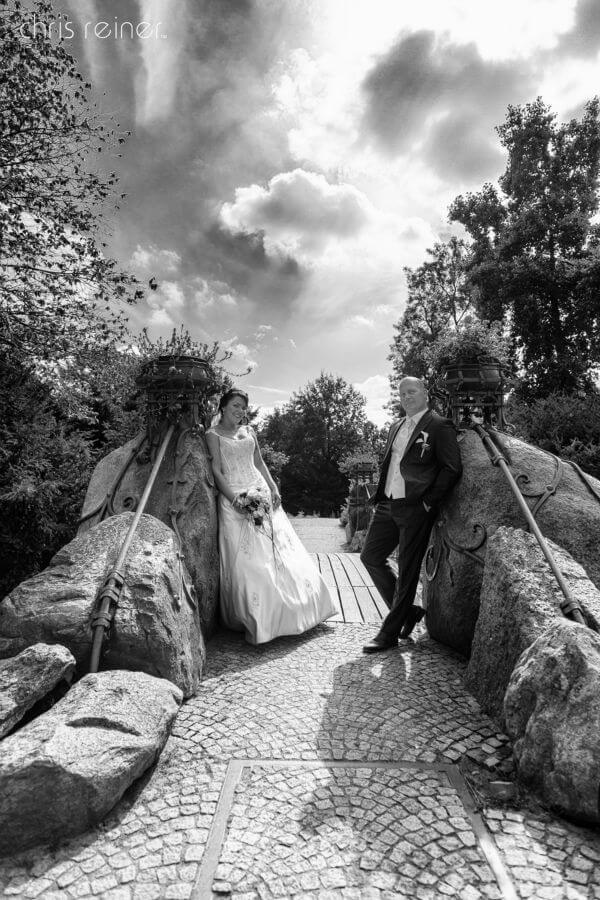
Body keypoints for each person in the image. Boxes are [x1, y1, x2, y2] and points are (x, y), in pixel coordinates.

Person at [206, 388, 338, 644]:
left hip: (260, 493)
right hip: (233, 499)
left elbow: (259, 462)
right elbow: (217, 471)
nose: (240, 411)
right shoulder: (213, 435)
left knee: (282, 553)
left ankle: (301, 608)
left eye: (243, 407)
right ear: (223, 407)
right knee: (249, 562)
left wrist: (273, 487)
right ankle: (259, 619)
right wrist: (235, 500)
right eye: (235, 405)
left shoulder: (249, 431)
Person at [360, 377, 462, 653]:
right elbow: (392, 464)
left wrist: (428, 503)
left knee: (407, 570)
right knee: (370, 557)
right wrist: (380, 496)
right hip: (387, 503)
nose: (406, 397)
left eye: (412, 391)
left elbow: (451, 467)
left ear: (425, 394)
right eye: (402, 393)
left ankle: (388, 634)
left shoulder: (439, 426)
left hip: (415, 507)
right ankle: (408, 612)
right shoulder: (395, 426)